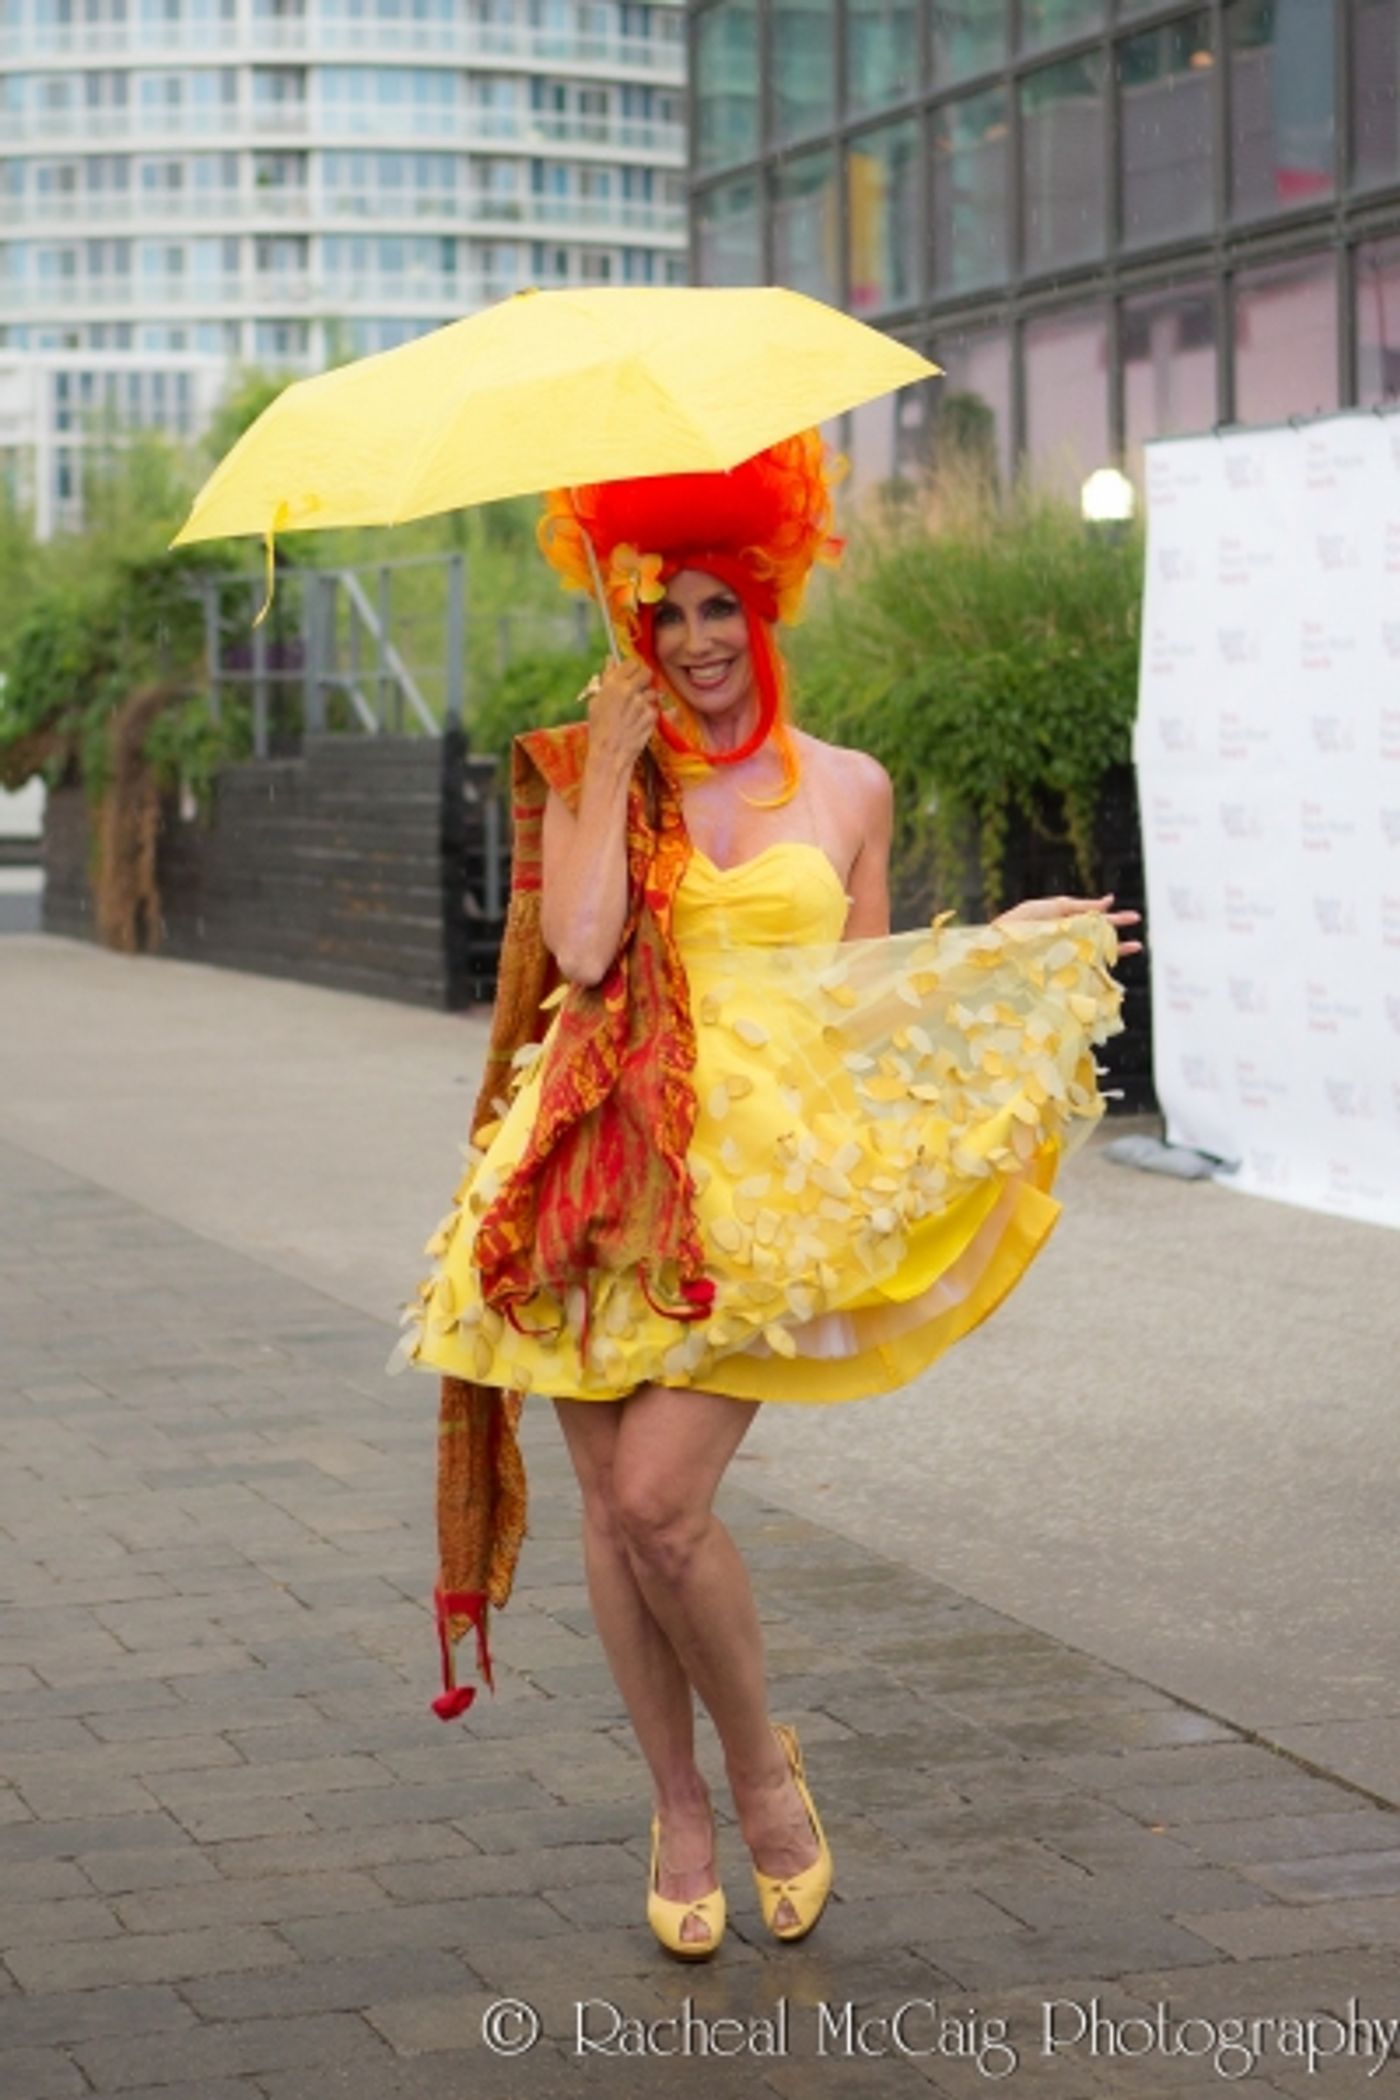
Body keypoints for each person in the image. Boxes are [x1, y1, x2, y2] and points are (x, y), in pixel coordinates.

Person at [392, 430, 1139, 1959]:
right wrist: (604, 771)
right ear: (634, 629)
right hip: (596, 1164)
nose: (695, 643)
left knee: (664, 1503)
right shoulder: (612, 771)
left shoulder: (851, 785)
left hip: (757, 1186)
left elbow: (857, 994)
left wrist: (1001, 948)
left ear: (766, 608)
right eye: (663, 614)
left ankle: (756, 1770)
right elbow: (589, 953)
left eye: (719, 607)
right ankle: (675, 1806)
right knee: (611, 1509)